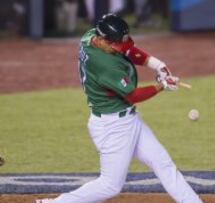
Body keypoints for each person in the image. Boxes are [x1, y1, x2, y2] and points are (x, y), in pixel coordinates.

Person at [36, 13, 203, 203]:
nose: (119, 49)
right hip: (113, 127)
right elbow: (133, 96)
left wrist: (158, 65)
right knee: (110, 185)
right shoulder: (105, 65)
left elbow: (129, 50)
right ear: (101, 40)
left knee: (162, 162)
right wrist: (162, 85)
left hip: (129, 120)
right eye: (115, 45)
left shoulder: (90, 36)